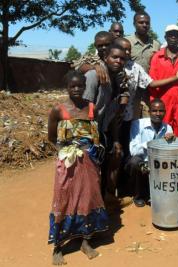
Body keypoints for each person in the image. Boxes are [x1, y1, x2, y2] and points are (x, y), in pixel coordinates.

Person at [47, 71, 108, 265]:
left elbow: (95, 134)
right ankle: (58, 247)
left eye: (80, 86)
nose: (76, 89)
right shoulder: (58, 110)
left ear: (84, 86)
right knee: (64, 197)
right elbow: (51, 137)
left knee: (88, 198)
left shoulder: (91, 108)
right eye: (72, 86)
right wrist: (65, 152)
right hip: (68, 163)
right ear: (67, 88)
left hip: (89, 161)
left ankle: (85, 240)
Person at [83, 44, 129, 204]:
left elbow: (114, 113)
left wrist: (116, 139)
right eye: (114, 57)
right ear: (105, 58)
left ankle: (108, 199)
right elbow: (83, 108)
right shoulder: (93, 76)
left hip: (104, 130)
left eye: (122, 58)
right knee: (90, 172)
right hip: (88, 132)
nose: (118, 61)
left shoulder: (118, 79)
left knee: (115, 157)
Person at [127, 99, 175, 207]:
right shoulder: (138, 124)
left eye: (161, 111)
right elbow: (133, 150)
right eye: (154, 111)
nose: (158, 114)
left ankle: (159, 192)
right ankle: (138, 195)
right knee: (134, 162)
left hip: (159, 163)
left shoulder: (168, 128)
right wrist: (153, 144)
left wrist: (172, 141)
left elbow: (169, 151)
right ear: (149, 112)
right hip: (143, 161)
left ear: (165, 112)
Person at [149, 25, 178, 136]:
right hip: (163, 100)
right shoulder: (157, 57)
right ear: (165, 37)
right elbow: (152, 83)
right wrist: (153, 103)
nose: (173, 37)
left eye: (176, 35)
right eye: (170, 35)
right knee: (163, 129)